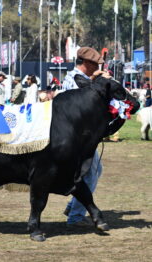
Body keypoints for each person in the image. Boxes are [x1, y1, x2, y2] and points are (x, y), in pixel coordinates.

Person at [62, 46, 110, 227]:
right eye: (95, 64)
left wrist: (95, 78)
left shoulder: (78, 77)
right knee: (88, 175)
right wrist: (99, 81)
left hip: (81, 135)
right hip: (77, 137)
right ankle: (75, 217)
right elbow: (87, 99)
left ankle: (72, 205)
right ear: (87, 63)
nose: (97, 66)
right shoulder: (76, 79)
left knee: (96, 171)